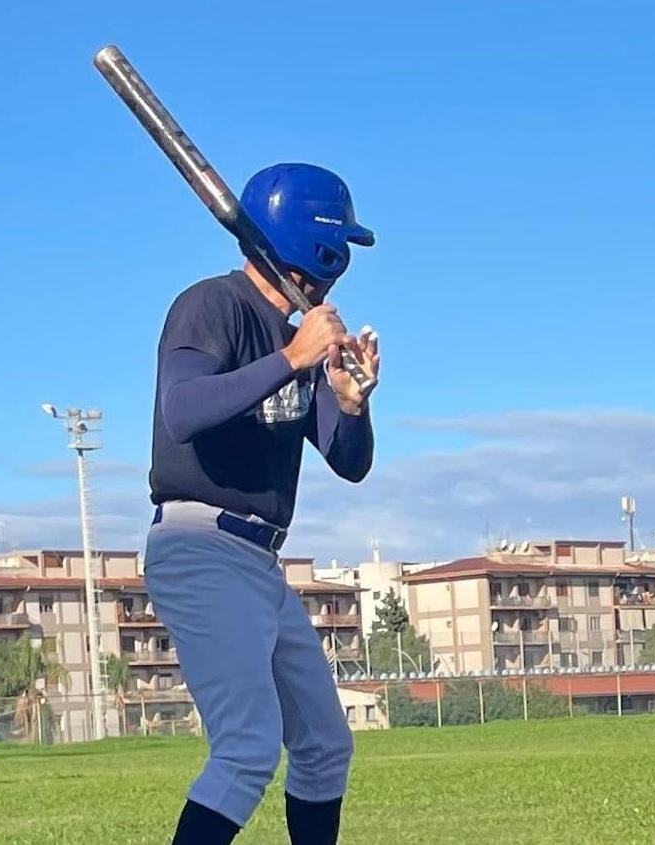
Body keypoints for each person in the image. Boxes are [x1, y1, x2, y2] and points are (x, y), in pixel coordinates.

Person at [141, 161, 380, 844]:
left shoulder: (296, 339)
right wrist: (292, 359)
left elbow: (349, 462)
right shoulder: (212, 304)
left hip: (259, 560)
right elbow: (183, 409)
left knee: (324, 744)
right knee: (246, 748)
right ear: (319, 244)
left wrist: (351, 402)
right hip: (199, 544)